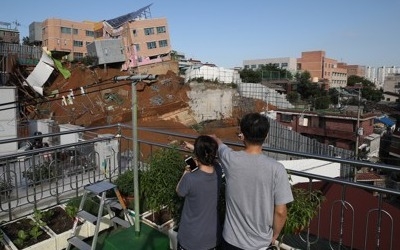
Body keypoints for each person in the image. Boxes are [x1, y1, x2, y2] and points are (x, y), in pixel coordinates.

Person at [212, 112, 294, 249]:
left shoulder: (231, 159)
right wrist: (274, 236)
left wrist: (214, 138)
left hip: (231, 240)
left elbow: (220, 146)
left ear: (242, 134)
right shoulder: (277, 169)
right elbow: (280, 211)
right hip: (260, 244)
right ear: (266, 135)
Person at [176, 135, 221, 250]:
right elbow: (214, 159)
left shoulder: (190, 178)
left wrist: (186, 171)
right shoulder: (218, 170)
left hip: (191, 239)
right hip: (212, 238)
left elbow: (179, 191)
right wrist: (194, 148)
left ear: (197, 155)